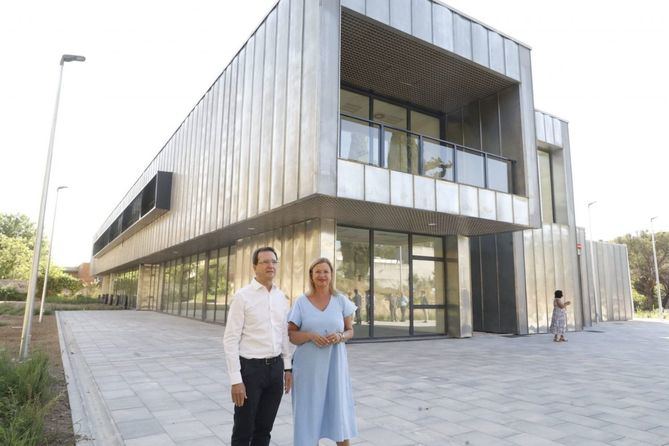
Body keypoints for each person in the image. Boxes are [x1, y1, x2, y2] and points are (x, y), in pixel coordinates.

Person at [223, 247, 293, 446]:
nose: (270, 265)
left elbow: (283, 335)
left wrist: (287, 367)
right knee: (243, 429)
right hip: (250, 371)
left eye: (273, 261)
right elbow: (230, 339)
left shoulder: (281, 297)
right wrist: (236, 380)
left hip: (275, 370)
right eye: (264, 262)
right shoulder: (242, 296)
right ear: (255, 267)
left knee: (264, 429)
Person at [288, 257, 358, 446]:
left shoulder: (341, 300)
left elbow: (350, 331)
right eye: (317, 271)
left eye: (326, 271)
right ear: (311, 275)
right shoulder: (301, 302)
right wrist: (310, 335)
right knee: (308, 415)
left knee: (338, 411)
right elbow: (292, 334)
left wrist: (341, 336)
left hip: (335, 366)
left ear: (331, 275)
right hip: (308, 369)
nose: (322, 275)